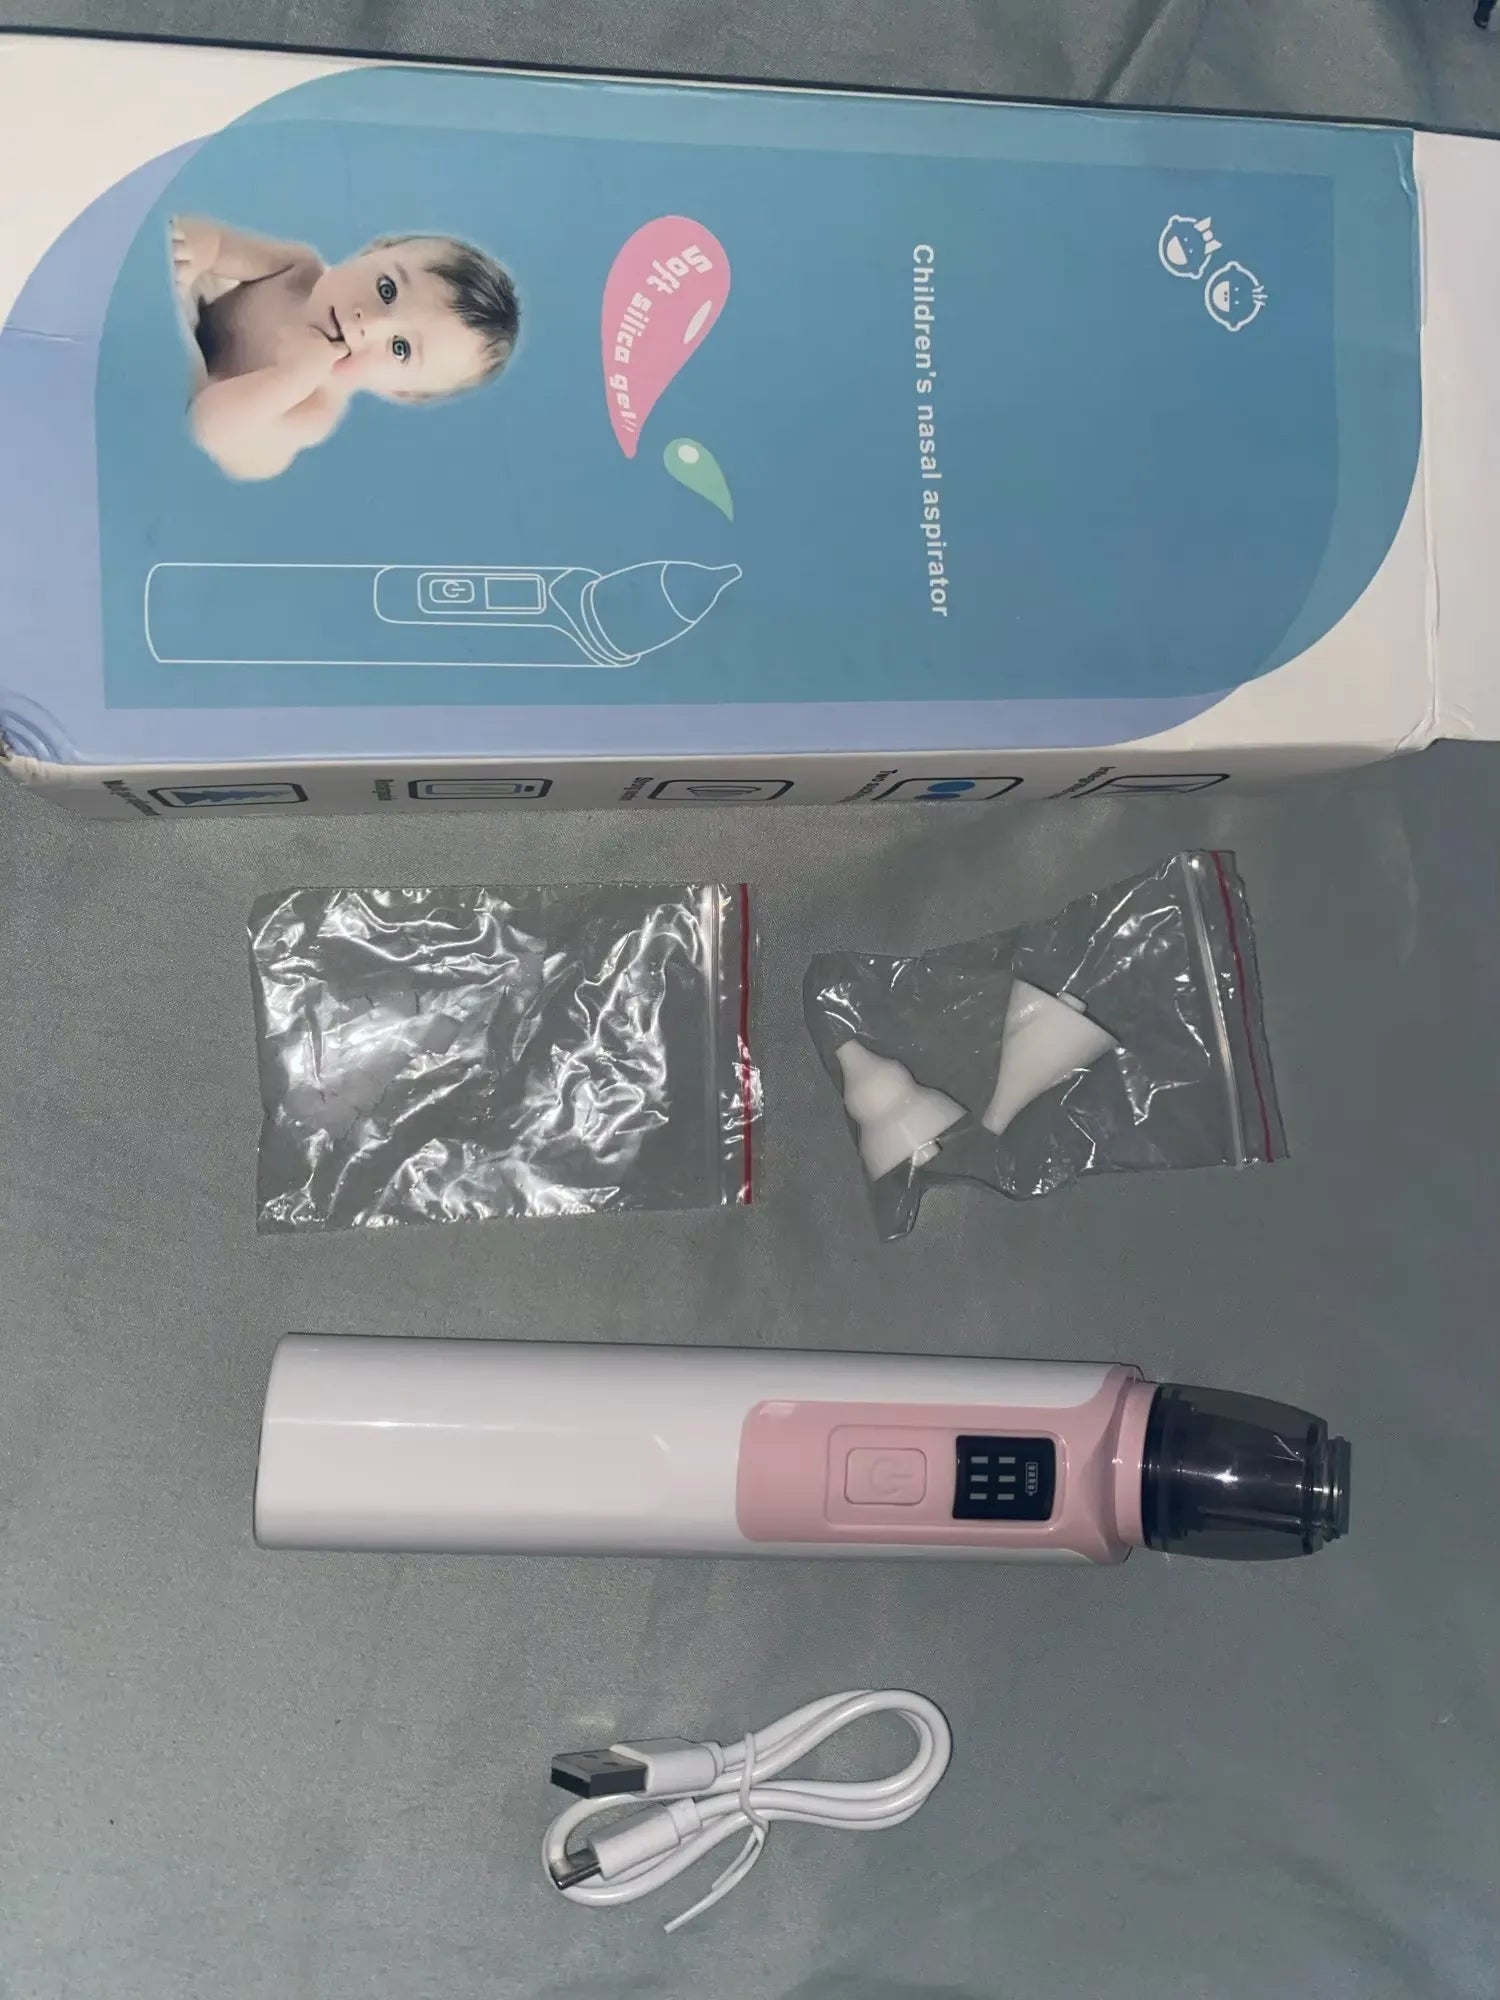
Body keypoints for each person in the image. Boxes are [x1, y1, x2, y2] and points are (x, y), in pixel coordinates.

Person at [169, 218, 519, 480]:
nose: (369, 324)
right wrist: (199, 247)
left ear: (397, 392)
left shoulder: (314, 408)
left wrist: (289, 378)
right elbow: (216, 244)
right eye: (386, 290)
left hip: (234, 434)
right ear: (374, 250)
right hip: (207, 319)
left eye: (400, 348)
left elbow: (206, 427)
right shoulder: (297, 267)